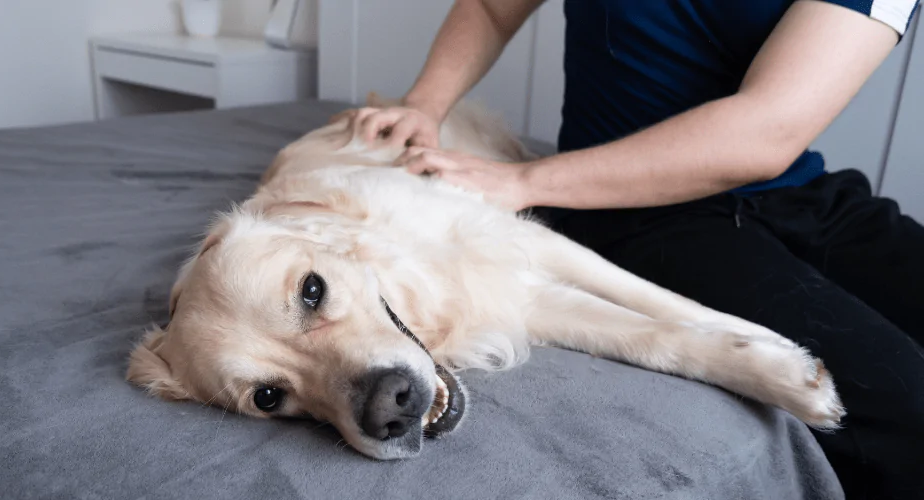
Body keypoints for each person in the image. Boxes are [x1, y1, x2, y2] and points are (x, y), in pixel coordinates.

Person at [348, 0, 924, 498]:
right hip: (629, 213)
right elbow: (493, 7)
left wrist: (519, 182)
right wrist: (424, 104)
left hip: (800, 191)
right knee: (906, 404)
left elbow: (768, 129)